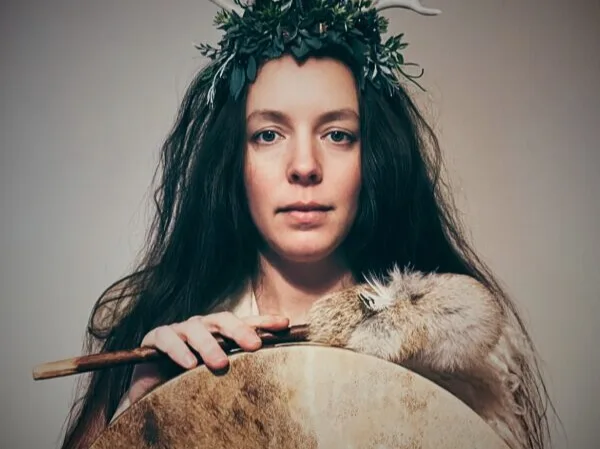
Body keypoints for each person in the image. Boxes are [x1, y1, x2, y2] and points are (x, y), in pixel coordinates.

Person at [58, 1, 555, 448]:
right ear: (233, 161)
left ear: (373, 157)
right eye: (268, 134)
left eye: (337, 134)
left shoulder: (459, 353)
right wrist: (145, 413)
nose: (304, 166)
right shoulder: (159, 330)